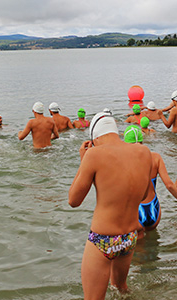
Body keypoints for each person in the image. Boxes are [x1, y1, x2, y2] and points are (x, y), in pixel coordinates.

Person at [68, 112, 152, 299]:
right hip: (129, 238)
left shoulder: (93, 155)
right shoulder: (144, 152)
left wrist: (84, 162)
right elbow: (145, 194)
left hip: (103, 240)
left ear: (95, 137)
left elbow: (73, 201)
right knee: (121, 289)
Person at [123, 125, 177, 231]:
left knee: (139, 246)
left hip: (135, 211)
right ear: (142, 140)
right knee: (153, 242)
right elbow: (169, 185)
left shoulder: (122, 161)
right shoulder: (155, 157)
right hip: (153, 208)